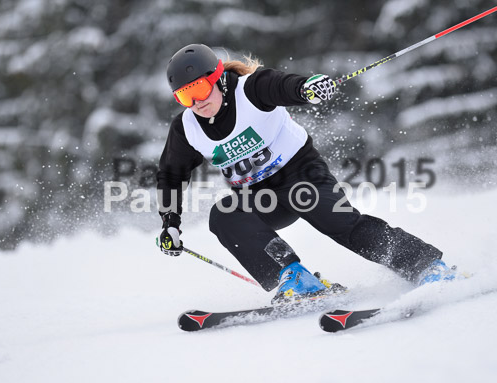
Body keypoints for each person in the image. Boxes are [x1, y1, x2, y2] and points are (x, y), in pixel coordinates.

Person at [156, 43, 456, 303]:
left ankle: (426, 266)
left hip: (301, 176)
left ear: (218, 79)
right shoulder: (187, 129)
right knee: (224, 216)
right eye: (185, 97)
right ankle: (296, 279)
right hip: (259, 198)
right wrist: (171, 223)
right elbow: (171, 174)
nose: (196, 103)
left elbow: (284, 85)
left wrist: (307, 88)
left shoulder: (252, 89)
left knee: (341, 224)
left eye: (199, 89)